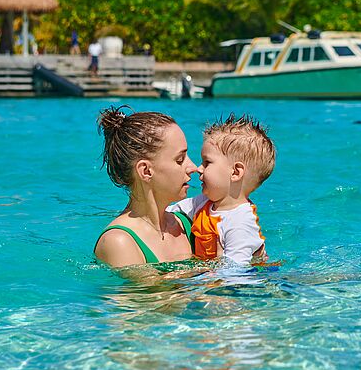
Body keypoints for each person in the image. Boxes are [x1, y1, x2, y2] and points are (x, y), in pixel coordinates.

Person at [94, 106, 198, 268]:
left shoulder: (187, 224)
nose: (193, 167)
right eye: (180, 159)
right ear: (146, 171)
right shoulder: (119, 242)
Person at [168, 114, 276, 265]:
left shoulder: (240, 222)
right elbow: (168, 212)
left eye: (207, 163)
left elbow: (235, 274)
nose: (198, 169)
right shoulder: (204, 202)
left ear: (235, 172)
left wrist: (192, 274)